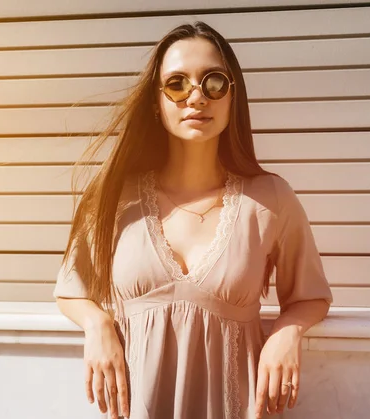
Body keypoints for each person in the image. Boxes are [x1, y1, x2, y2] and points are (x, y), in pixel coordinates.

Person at [53, 21, 333, 419]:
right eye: (177, 84)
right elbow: (71, 288)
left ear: (232, 97)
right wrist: (96, 324)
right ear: (156, 101)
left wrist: (287, 333)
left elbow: (310, 297)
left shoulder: (271, 199)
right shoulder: (112, 197)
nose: (196, 97)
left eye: (214, 82)